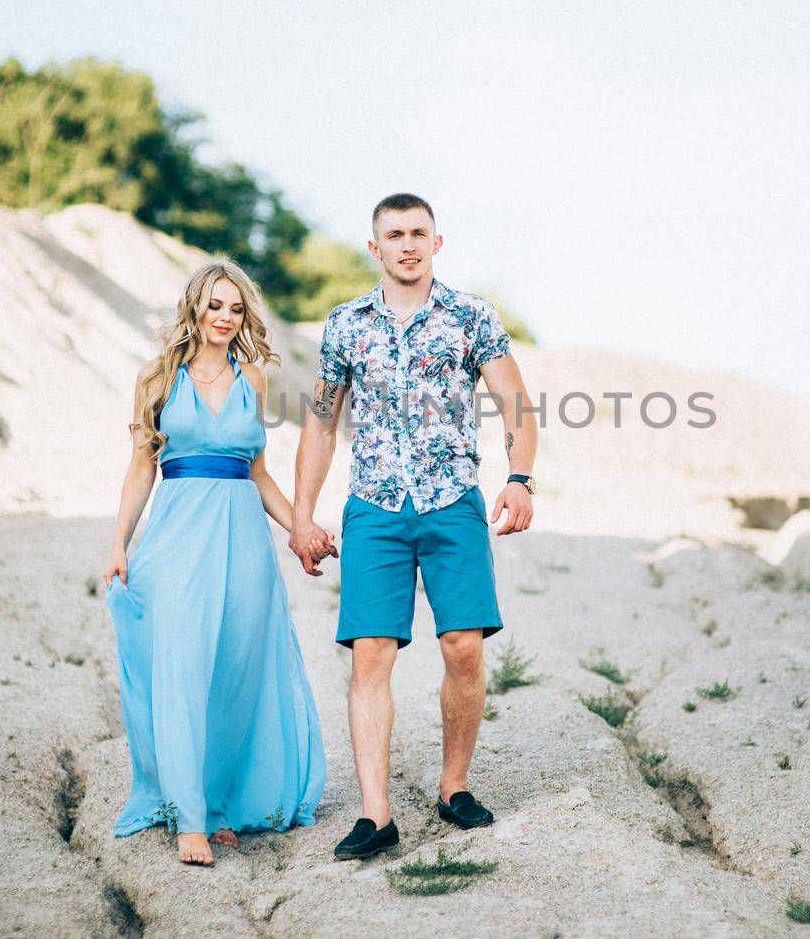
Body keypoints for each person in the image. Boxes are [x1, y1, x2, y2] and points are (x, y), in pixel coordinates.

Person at [290, 192, 540, 861]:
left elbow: (516, 404)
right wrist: (301, 512)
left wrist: (519, 478)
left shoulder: (470, 317)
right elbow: (320, 421)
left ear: (437, 242)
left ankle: (454, 786)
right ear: (375, 247)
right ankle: (376, 815)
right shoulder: (345, 324)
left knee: (463, 645)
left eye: (418, 233)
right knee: (371, 652)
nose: (407, 244)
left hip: (452, 502)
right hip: (374, 506)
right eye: (394, 234)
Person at [101, 259, 333, 866]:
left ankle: (222, 804)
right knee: (181, 665)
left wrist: (302, 528)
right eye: (215, 306)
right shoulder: (156, 378)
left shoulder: (253, 380)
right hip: (177, 538)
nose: (226, 318)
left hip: (243, 542)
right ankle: (189, 818)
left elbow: (258, 473)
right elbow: (140, 467)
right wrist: (120, 542)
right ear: (194, 308)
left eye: (236, 308)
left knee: (233, 672)